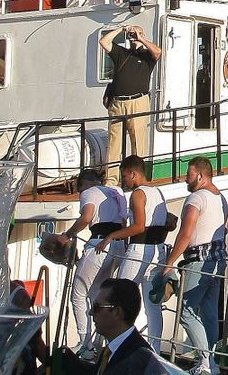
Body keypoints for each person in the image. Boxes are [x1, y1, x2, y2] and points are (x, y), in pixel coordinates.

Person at [159, 157, 228, 375]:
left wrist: (169, 262)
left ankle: (206, 362)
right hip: (218, 260)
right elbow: (225, 229)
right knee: (209, 312)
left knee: (186, 312)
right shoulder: (221, 198)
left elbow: (186, 233)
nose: (185, 179)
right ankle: (211, 362)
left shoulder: (196, 198)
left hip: (198, 260)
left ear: (200, 176)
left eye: (188, 175)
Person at [97, 155, 171, 349]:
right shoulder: (158, 192)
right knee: (152, 306)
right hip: (158, 251)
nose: (124, 181)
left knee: (119, 296)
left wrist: (111, 236)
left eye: (124, 176)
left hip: (140, 249)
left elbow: (139, 226)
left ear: (133, 173)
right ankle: (154, 348)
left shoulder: (138, 194)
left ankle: (116, 345)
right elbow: (168, 221)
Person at [64, 167, 130, 358]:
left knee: (78, 293)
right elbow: (123, 222)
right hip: (118, 246)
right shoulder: (115, 192)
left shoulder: (89, 192)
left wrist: (67, 235)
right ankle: (99, 342)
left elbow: (86, 217)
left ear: (83, 183)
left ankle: (85, 345)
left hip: (100, 245)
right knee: (97, 294)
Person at [100, 23, 160, 180]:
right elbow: (104, 41)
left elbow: (157, 52)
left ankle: (137, 178)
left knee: (137, 143)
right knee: (114, 143)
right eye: (132, 34)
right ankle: (111, 179)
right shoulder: (122, 53)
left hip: (138, 102)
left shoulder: (147, 56)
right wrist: (122, 29)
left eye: (138, 33)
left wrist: (141, 39)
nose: (134, 36)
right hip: (118, 104)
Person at [89, 278, 167, 375]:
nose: (91, 312)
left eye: (97, 307)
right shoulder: (112, 349)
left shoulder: (138, 360)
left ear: (116, 312)